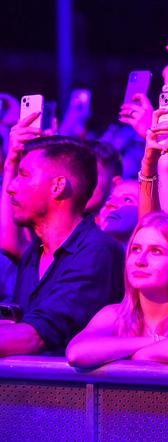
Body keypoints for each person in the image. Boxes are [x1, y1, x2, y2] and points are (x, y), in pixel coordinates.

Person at [0, 128, 124, 357]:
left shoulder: (96, 252)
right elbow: (8, 240)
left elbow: (33, 337)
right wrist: (10, 164)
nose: (10, 187)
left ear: (57, 187)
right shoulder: (36, 252)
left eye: (24, 175)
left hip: (75, 393)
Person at [66, 212, 168, 367]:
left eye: (156, 251)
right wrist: (154, 341)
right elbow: (76, 353)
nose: (140, 260)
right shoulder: (115, 314)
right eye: (135, 249)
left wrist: (137, 355)